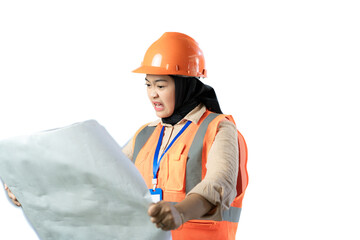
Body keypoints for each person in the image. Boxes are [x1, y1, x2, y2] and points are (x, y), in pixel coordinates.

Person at [5, 32, 248, 240]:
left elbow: (219, 185)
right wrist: (30, 187)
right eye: (148, 85)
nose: (153, 94)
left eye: (161, 85)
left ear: (186, 85)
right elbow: (98, 180)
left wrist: (180, 212)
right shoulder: (146, 135)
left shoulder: (218, 128)